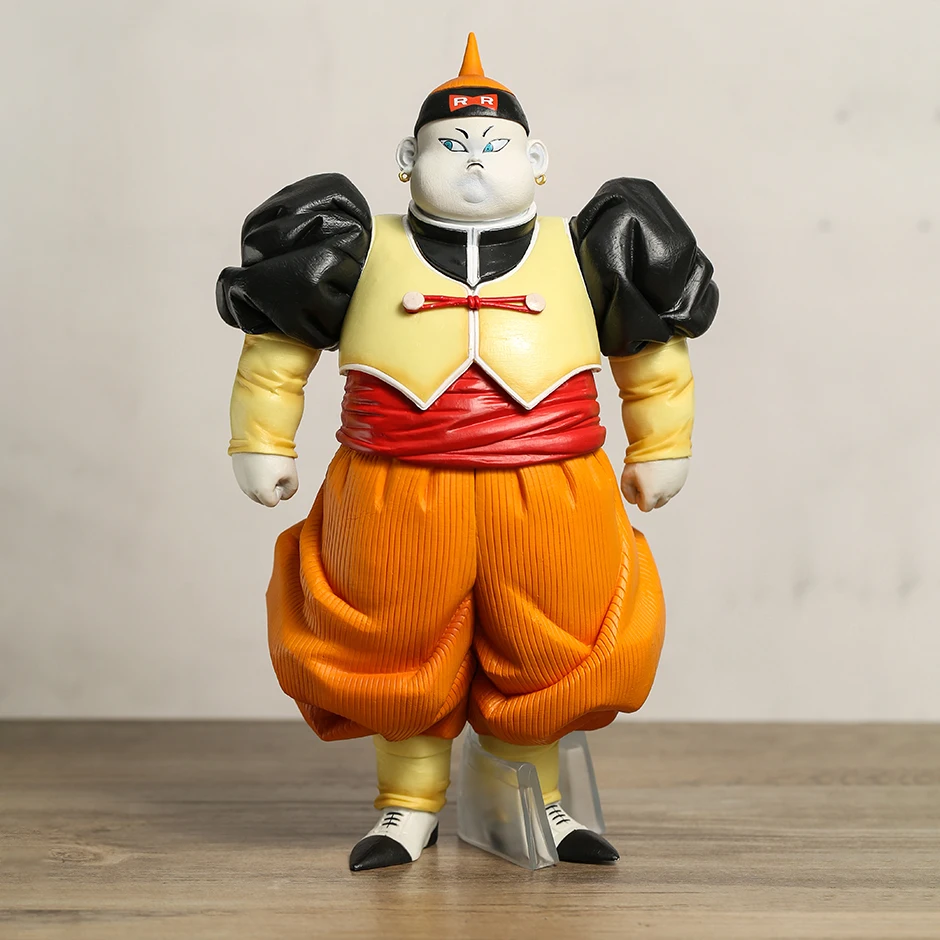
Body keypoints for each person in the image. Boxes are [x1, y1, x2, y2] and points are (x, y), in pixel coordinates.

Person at [216, 33, 718, 871]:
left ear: (538, 161)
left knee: (554, 641)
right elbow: (277, 350)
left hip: (553, 486)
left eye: (495, 144)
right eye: (450, 144)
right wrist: (261, 438)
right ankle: (407, 804)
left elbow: (652, 355)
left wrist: (662, 443)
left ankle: (536, 799)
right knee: (394, 642)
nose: (475, 158)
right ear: (405, 161)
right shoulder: (351, 243)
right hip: (392, 484)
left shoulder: (591, 246)